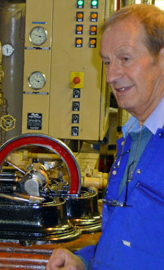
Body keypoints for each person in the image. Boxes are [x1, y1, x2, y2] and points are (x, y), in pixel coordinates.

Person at [47, 4, 164, 270]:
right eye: (107, 62)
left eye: (125, 58)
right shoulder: (134, 138)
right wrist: (83, 261)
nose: (111, 76)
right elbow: (125, 241)